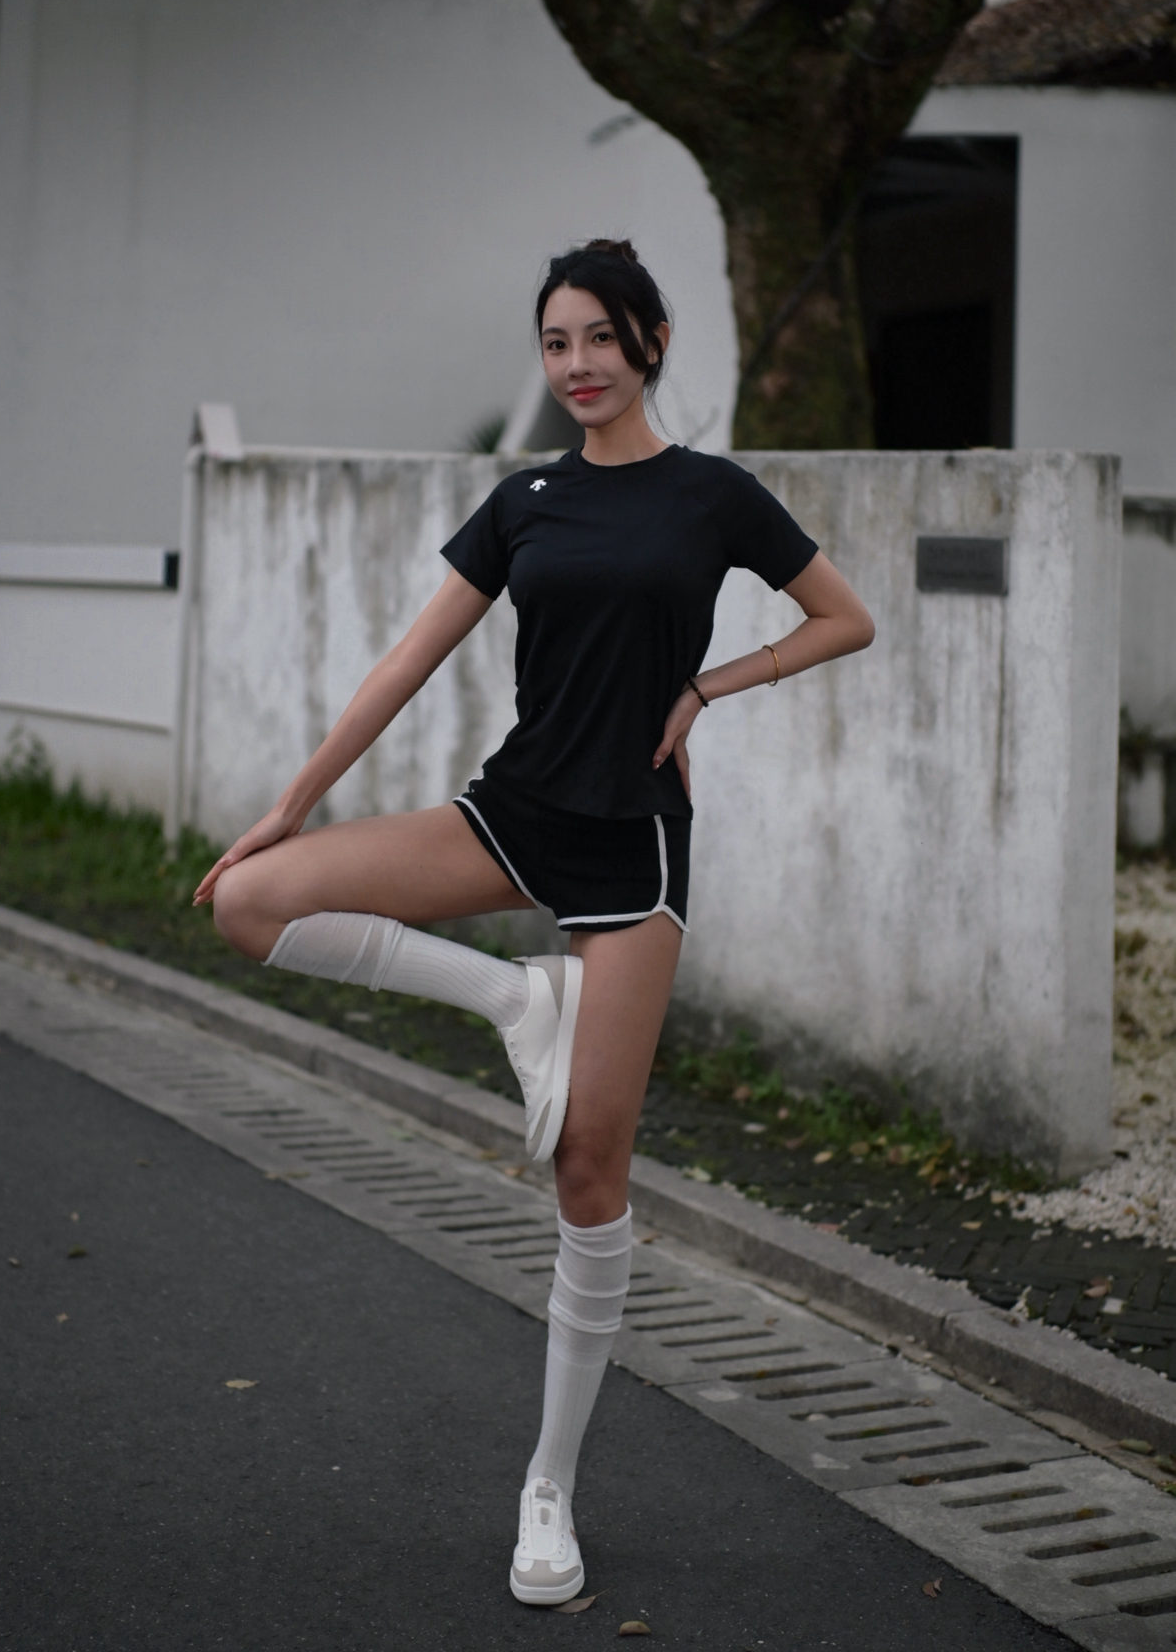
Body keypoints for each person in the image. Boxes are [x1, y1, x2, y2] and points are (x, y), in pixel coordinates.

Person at [195, 238, 874, 1604]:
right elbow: (407, 662)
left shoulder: (712, 495)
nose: (577, 365)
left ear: (653, 341)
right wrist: (289, 807)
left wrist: (708, 689)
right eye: (556, 342)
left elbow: (842, 618)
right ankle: (517, 998)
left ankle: (548, 1488)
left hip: (635, 846)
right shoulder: (526, 501)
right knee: (253, 904)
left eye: (600, 338)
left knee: (587, 1169)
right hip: (513, 815)